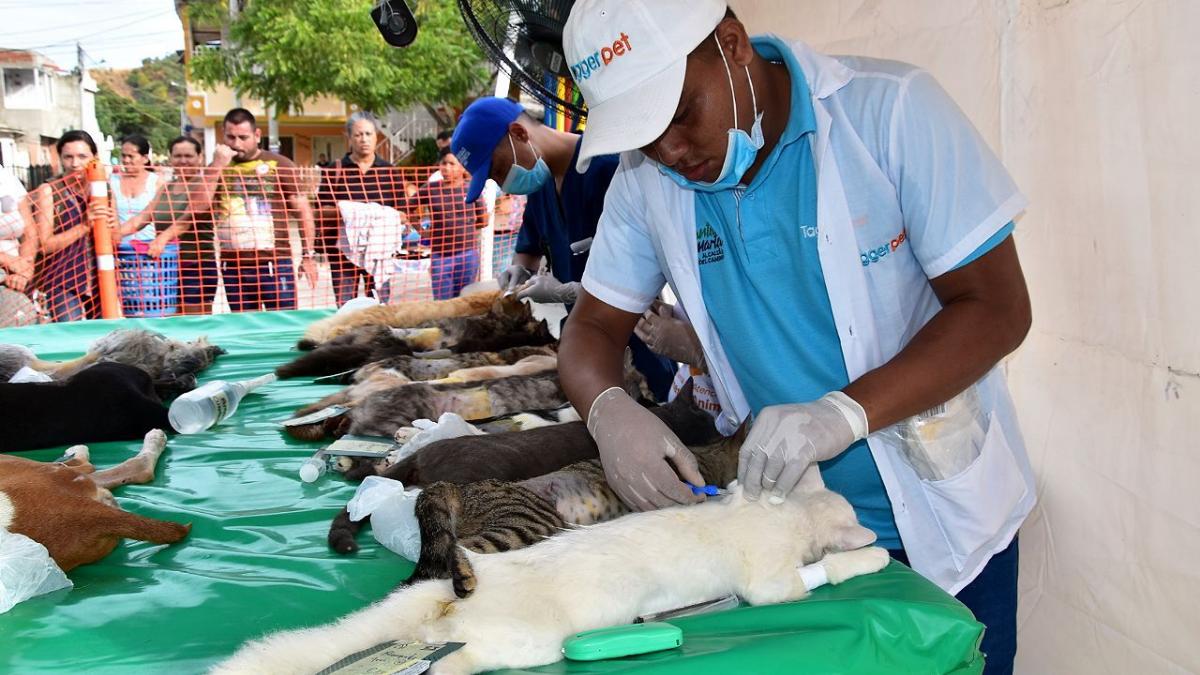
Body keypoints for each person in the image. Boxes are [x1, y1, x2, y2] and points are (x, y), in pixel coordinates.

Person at [557, 2, 1036, 673]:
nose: (670, 151)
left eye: (680, 114)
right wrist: (607, 411)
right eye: (644, 136)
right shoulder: (646, 183)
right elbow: (590, 328)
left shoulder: (889, 112)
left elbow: (997, 308)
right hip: (792, 535)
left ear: (732, 44)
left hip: (944, 524)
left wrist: (842, 413)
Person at [450, 96, 676, 401]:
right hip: (586, 347)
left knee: (654, 409)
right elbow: (529, 248)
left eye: (499, 170)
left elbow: (645, 281)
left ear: (519, 133)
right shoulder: (541, 185)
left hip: (637, 343)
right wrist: (519, 271)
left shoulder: (610, 168)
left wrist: (569, 292)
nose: (503, 185)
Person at [215, 108, 319, 311]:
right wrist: (216, 166)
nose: (236, 144)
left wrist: (308, 255)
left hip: (274, 261)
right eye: (231, 137)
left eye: (243, 137)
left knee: (283, 323)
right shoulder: (218, 167)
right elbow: (200, 204)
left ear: (257, 135)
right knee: (244, 325)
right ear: (223, 135)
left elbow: (303, 211)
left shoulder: (280, 164)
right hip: (232, 264)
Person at [315, 111, 396, 305]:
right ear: (349, 137)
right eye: (358, 135)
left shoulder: (389, 171)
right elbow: (321, 209)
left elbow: (401, 212)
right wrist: (348, 212)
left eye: (368, 134)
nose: (364, 139)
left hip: (379, 253)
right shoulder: (335, 170)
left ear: (376, 136)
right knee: (345, 308)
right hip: (343, 254)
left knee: (379, 308)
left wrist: (377, 217)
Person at [147, 136, 234, 314]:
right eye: (178, 156)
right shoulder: (166, 188)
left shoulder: (206, 184)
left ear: (200, 158)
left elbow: (191, 216)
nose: (183, 161)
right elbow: (141, 218)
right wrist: (114, 234)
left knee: (195, 324)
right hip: (168, 266)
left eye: (188, 156)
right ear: (170, 158)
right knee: (169, 320)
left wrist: (163, 238)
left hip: (197, 266)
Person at [31, 130, 110, 322]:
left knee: (107, 334)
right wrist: (84, 226)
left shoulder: (102, 188)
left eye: (82, 157)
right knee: (71, 334)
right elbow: (45, 245)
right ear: (60, 158)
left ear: (94, 157)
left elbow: (115, 238)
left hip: (101, 279)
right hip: (62, 280)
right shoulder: (49, 190)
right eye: (68, 157)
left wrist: (113, 226)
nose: (75, 164)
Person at [404, 149, 486, 299]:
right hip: (440, 256)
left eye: (452, 164)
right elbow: (408, 208)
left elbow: (483, 220)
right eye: (444, 163)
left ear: (463, 167)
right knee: (443, 304)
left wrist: (464, 230)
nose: (447, 168)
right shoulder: (431, 189)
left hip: (467, 255)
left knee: (465, 301)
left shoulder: (472, 188)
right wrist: (421, 231)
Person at [110, 134, 162, 244]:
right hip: (118, 246)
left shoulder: (157, 182)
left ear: (145, 158)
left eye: (131, 156)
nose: (126, 160)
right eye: (123, 156)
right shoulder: (112, 181)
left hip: (147, 246)